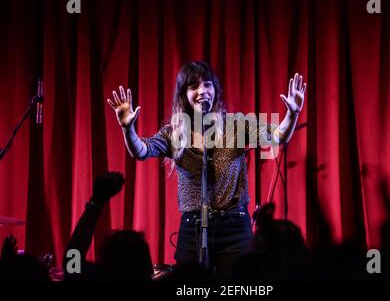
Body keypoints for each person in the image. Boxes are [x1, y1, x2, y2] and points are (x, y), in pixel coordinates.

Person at [107, 61, 306, 278]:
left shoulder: (236, 125)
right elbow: (141, 150)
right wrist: (128, 129)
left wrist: (292, 114)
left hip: (234, 226)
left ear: (215, 90)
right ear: (184, 94)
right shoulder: (173, 133)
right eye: (193, 87)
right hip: (193, 228)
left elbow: (277, 136)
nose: (202, 91)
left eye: (207, 85)